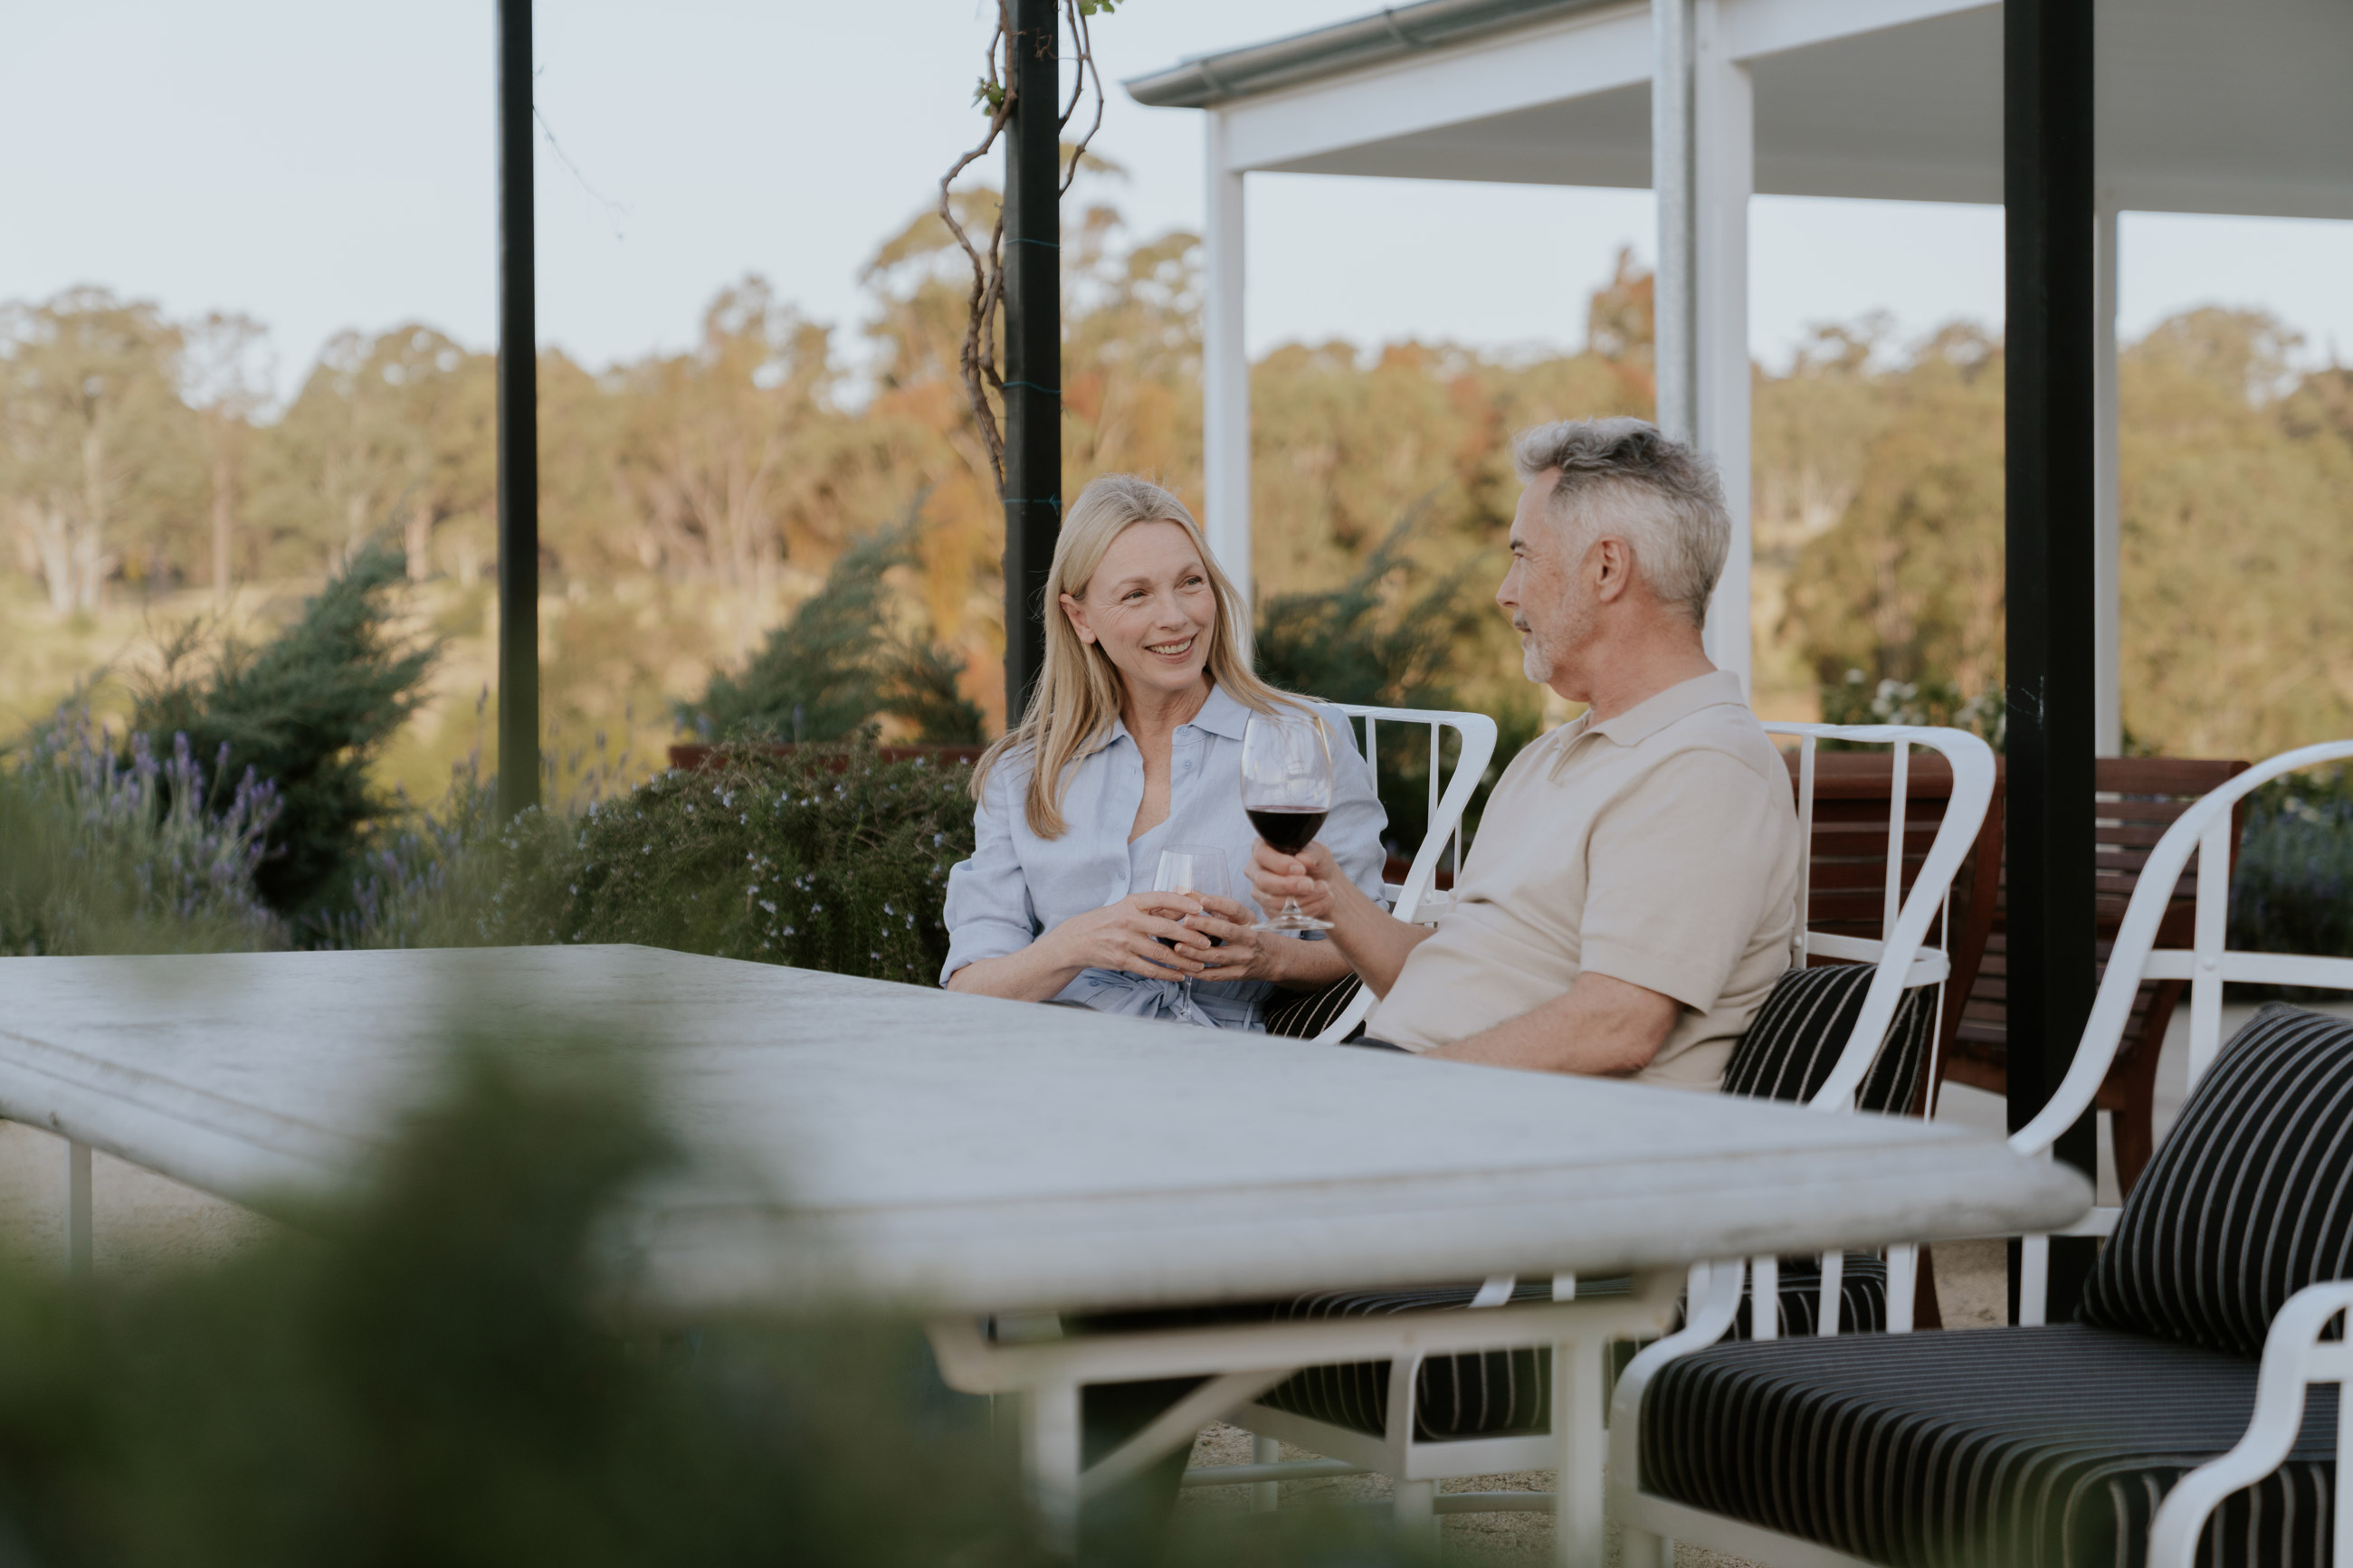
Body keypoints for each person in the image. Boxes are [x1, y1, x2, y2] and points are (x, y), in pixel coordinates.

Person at [1248, 418, 1801, 1088]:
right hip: (1433, 1091)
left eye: (1523, 557)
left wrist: (1389, 1089)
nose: (1505, 591)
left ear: (1606, 567)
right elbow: (1456, 974)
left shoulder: (1705, 767)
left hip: (1542, 1126)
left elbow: (1617, 1026)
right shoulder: (1550, 757)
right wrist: (1330, 895)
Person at [941, 473, 1386, 1029]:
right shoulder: (1023, 772)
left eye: (1190, 582)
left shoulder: (1303, 740)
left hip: (1221, 1056)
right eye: (1136, 594)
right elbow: (970, 986)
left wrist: (1267, 956)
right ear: (1080, 618)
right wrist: (1077, 942)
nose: (1175, 616)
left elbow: (1368, 944)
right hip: (1057, 1050)